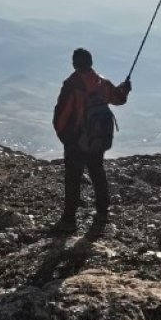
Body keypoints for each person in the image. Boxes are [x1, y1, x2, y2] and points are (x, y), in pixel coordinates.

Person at [51, 48, 131, 233]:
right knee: (97, 172)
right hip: (98, 138)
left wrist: (65, 138)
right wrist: (124, 88)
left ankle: (69, 219)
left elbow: (61, 117)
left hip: (77, 140)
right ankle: (102, 212)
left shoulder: (72, 85)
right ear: (91, 62)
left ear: (74, 64)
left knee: (73, 178)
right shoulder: (101, 83)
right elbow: (119, 99)